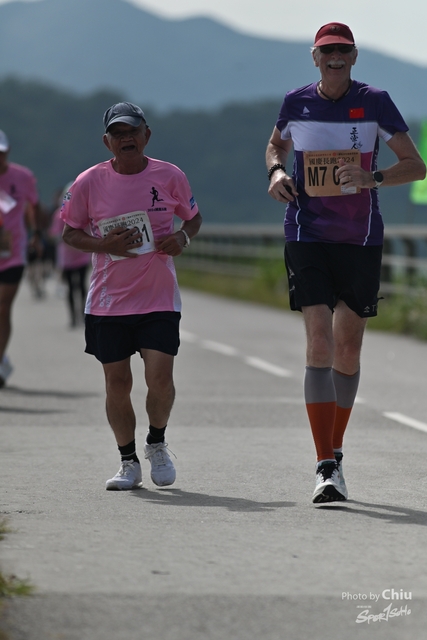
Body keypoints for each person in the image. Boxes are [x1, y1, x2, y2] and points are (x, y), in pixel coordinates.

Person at [265, 23, 426, 504]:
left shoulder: (375, 101)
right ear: (314, 57)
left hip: (359, 238)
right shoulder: (296, 102)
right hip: (306, 233)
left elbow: (416, 166)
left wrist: (373, 177)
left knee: (348, 349)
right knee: (320, 341)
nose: (335, 57)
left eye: (343, 50)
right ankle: (325, 466)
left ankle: (334, 450)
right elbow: (276, 145)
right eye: (327, 50)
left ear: (354, 56)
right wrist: (276, 172)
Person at [61, 102, 202, 490]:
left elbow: (193, 218)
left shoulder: (169, 176)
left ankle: (156, 443)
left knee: (160, 379)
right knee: (117, 383)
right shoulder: (88, 182)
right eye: (118, 134)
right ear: (107, 141)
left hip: (158, 298)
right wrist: (102, 244)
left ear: (146, 136)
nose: (126, 139)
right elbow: (70, 232)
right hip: (109, 302)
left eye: (132, 132)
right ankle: (128, 462)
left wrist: (182, 237)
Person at [0, 129, 42, 387]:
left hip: (13, 253)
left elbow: (33, 204)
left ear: (8, 152)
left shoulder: (22, 177)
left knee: (3, 308)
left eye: (1, 153)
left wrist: (36, 233)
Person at [50, 184, 91, 327]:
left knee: (81, 286)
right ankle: (74, 316)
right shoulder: (59, 215)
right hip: (67, 258)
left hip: (82, 256)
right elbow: (55, 234)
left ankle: (83, 314)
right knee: (71, 288)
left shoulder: (86, 212)